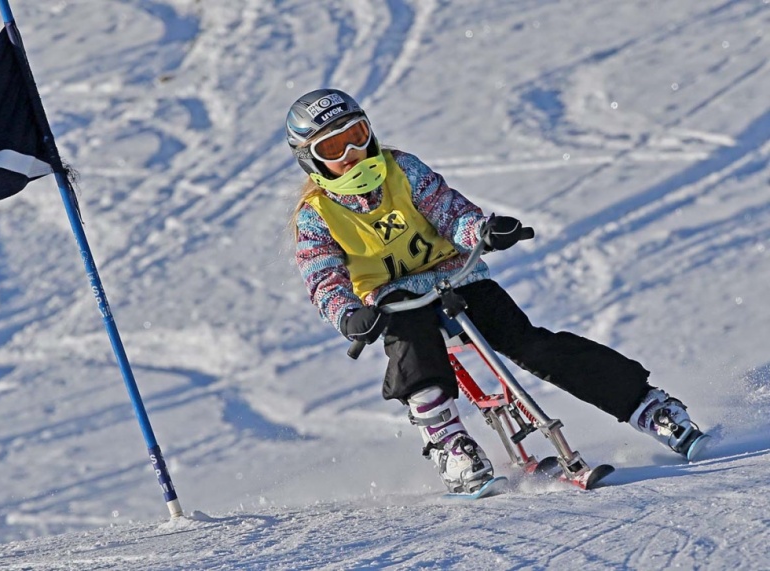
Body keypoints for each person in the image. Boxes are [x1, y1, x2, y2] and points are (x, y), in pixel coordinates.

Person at [286, 88, 704, 494]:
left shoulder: (403, 169)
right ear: (311, 161)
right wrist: (347, 313)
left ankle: (647, 407)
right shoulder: (316, 217)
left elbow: (449, 212)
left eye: (356, 137)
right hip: (398, 301)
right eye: (333, 149)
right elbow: (324, 279)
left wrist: (482, 231)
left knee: (530, 344)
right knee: (417, 362)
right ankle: (451, 446)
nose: (351, 155)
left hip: (458, 279)